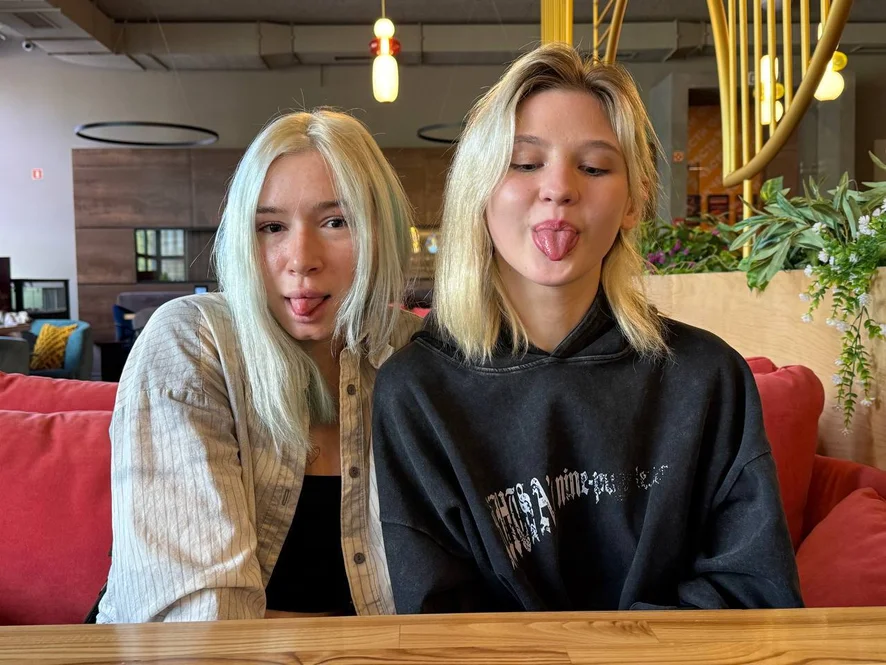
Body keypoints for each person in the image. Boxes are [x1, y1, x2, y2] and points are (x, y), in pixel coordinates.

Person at [372, 44, 803, 613]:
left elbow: (756, 591)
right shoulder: (417, 389)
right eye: (525, 163)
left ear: (633, 202)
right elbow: (439, 617)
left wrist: (611, 647)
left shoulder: (707, 378)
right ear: (479, 190)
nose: (560, 188)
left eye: (595, 167)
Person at [95, 109, 421, 622]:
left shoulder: (417, 353)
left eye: (336, 222)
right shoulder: (192, 342)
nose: (301, 258)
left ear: (382, 231)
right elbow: (199, 624)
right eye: (271, 227)